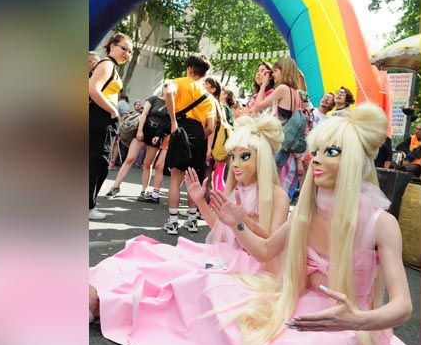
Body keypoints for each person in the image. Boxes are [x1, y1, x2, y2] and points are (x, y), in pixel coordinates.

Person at [205, 103, 420, 345]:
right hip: (300, 310)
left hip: (352, 325)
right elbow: (265, 250)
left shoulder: (381, 224)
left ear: (355, 161)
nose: (316, 158)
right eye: (315, 150)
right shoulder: (304, 215)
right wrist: (237, 224)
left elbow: (403, 307)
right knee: (228, 317)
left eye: (330, 151)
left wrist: (357, 320)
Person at [89, 112, 290, 319]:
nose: (236, 164)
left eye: (244, 156)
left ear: (263, 159)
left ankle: (104, 304)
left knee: (183, 282)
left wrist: (244, 222)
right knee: (155, 260)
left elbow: (272, 245)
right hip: (224, 255)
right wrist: (200, 201)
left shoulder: (278, 196)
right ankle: (100, 292)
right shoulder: (237, 190)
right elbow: (220, 228)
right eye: (234, 156)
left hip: (251, 268)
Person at [163, 54, 217, 235]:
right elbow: (211, 127)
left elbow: (168, 92)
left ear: (189, 68)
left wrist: (173, 121)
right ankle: (192, 220)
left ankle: (172, 222)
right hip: (198, 135)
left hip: (180, 129)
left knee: (176, 177)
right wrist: (199, 135)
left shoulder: (181, 82)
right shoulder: (209, 97)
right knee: (195, 179)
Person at [88, 32, 132, 220]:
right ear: (112, 46)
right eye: (124, 48)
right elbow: (92, 89)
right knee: (98, 162)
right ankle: (88, 206)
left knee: (99, 162)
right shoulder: (107, 64)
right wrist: (112, 110)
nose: (127, 54)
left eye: (130, 51)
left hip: (102, 118)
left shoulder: (110, 65)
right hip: (100, 117)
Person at [252, 57, 307, 199]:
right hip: (285, 147)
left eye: (275, 71)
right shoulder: (295, 94)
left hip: (275, 144)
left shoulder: (283, 89)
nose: (273, 75)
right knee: (273, 185)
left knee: (266, 186)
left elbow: (258, 106)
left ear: (284, 72)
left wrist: (264, 85)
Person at [105, 91, 170, 202]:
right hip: (144, 130)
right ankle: (115, 187)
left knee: (147, 164)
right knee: (130, 158)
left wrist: (159, 136)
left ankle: (143, 191)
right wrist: (140, 130)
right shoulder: (154, 99)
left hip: (156, 136)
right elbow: (144, 114)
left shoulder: (171, 104)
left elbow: (167, 123)